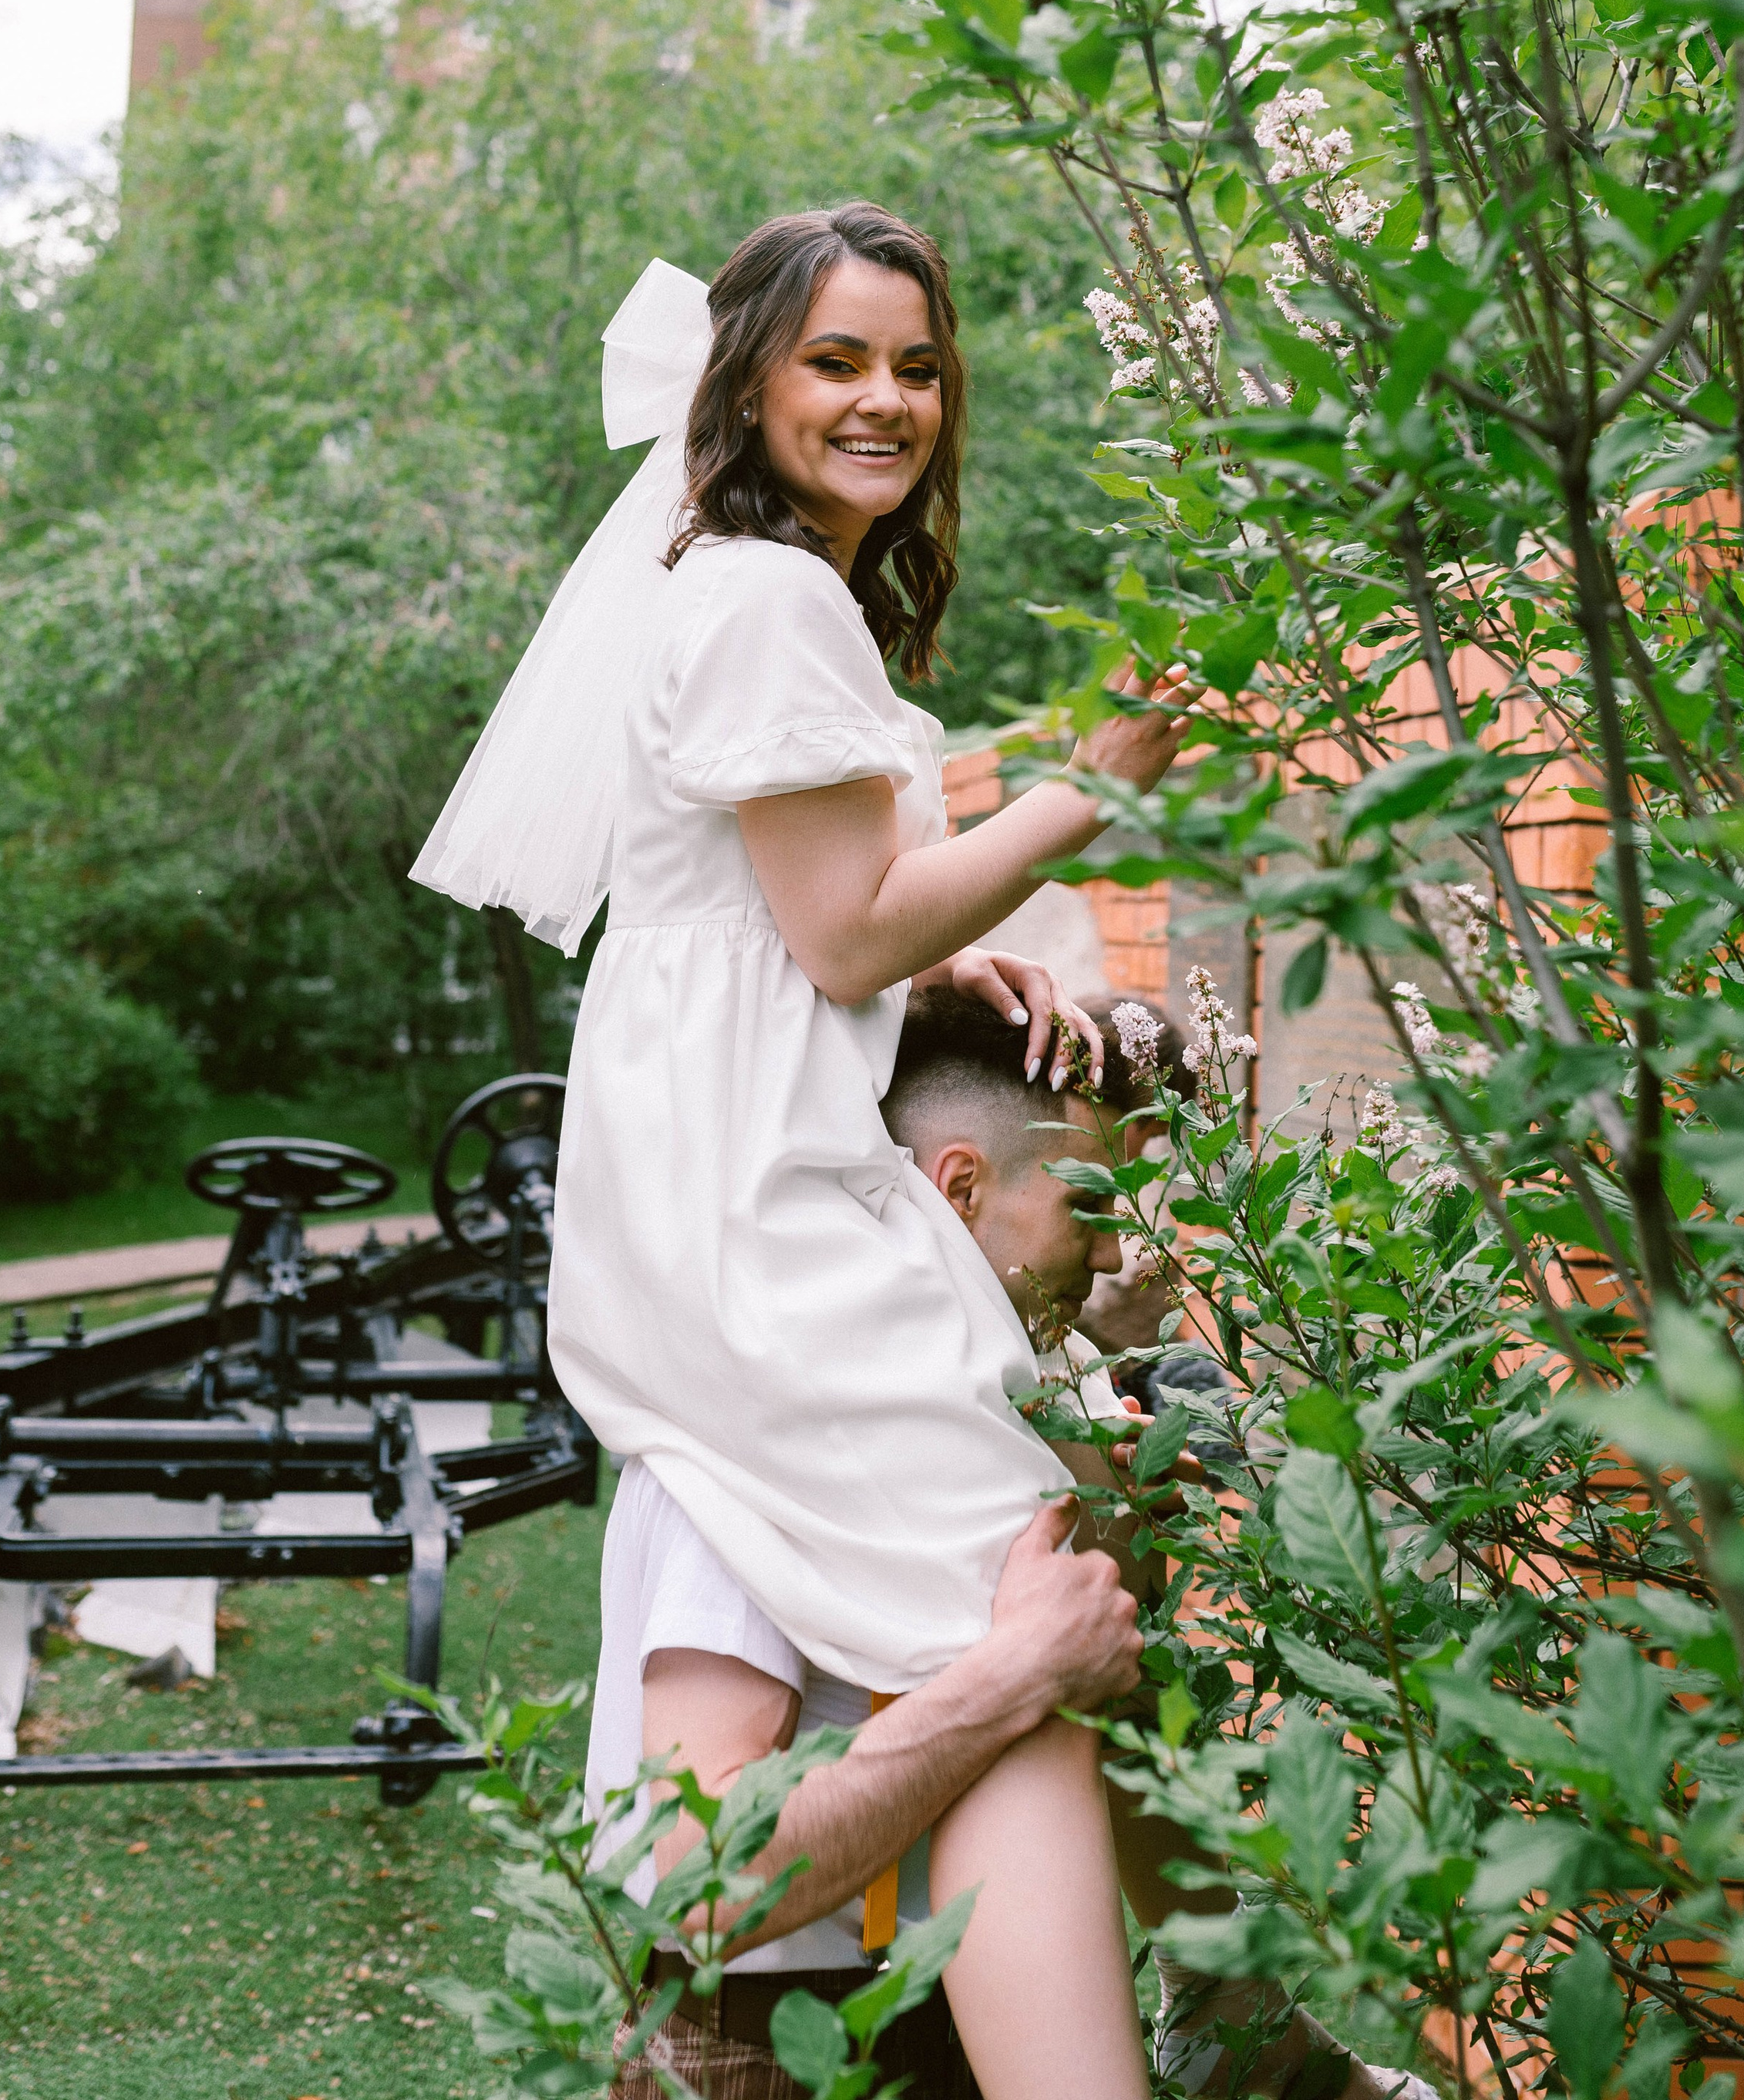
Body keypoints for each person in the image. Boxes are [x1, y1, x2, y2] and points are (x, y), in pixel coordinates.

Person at [412, 204, 1194, 2100]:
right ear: (747, 380)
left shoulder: (751, 587)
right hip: (753, 1212)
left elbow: (802, 921)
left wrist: (958, 933)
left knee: (995, 1604)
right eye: (836, 359)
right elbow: (845, 932)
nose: (886, 399)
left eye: (917, 365)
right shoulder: (768, 593)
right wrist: (1101, 778)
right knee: (1009, 1604)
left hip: (715, 1176)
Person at [593, 989, 1423, 2100]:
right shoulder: (758, 1440)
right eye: (1089, 1206)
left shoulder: (1008, 1413)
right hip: (770, 2052)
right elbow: (707, 1884)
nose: (1119, 1249)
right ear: (961, 1189)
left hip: (976, 2020)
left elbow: (1102, 1716)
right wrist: (1016, 1673)